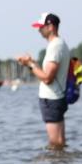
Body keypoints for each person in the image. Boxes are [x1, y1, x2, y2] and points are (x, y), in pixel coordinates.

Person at [17, 13, 70, 149]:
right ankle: (62, 162)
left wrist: (30, 65)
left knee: (55, 143)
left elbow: (47, 78)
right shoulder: (58, 44)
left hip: (51, 99)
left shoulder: (55, 46)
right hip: (56, 98)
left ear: (50, 26)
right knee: (59, 142)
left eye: (41, 27)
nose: (39, 30)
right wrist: (32, 63)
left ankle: (56, 163)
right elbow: (48, 74)